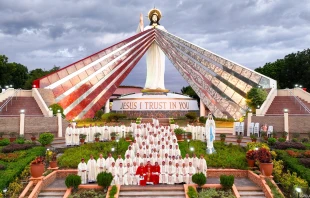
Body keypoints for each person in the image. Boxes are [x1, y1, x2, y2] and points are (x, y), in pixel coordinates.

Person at [137, 8, 167, 91]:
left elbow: (167, 37)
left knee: (160, 65)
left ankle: (159, 85)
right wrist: (141, 23)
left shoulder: (161, 27)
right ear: (150, 18)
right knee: (151, 66)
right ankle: (150, 84)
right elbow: (142, 34)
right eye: (153, 17)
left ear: (158, 18)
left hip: (159, 48)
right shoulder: (148, 27)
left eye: (156, 17)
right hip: (151, 48)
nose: (154, 18)